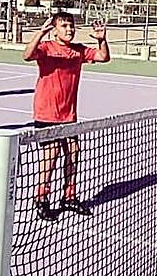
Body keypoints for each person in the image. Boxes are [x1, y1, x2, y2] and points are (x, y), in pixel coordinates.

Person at [23, 13, 110, 221]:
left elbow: (103, 57)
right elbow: (27, 55)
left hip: (68, 114)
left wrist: (101, 39)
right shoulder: (46, 48)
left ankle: (69, 197)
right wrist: (41, 33)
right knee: (50, 157)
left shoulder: (78, 51)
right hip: (46, 112)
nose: (69, 29)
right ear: (55, 30)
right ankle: (41, 199)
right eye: (64, 26)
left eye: (71, 26)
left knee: (73, 152)